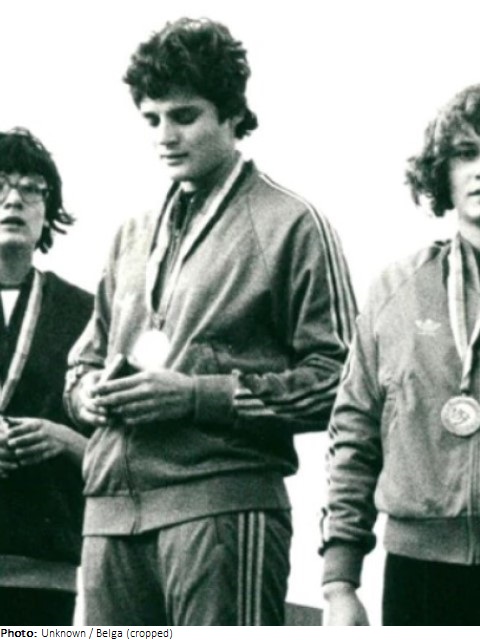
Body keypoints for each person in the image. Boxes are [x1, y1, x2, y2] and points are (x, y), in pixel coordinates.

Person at [65, 17, 356, 626]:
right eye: (151, 119)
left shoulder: (291, 222)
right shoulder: (131, 233)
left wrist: (197, 396)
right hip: (107, 517)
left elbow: (340, 384)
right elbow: (84, 361)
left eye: (184, 116)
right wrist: (86, 393)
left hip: (221, 506)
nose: (165, 136)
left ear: (232, 114)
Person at [321, 83, 480, 626]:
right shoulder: (396, 289)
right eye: (466, 153)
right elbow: (355, 431)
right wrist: (339, 582)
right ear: (442, 170)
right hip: (420, 572)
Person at [0, 128, 93, 624]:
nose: (13, 199)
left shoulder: (87, 315)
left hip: (44, 572)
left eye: (31, 187)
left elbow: (126, 453)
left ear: (48, 208)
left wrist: (65, 440)